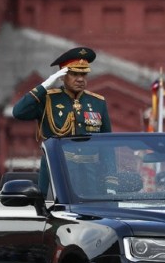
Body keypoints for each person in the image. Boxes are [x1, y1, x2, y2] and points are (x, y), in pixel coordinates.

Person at [12, 47, 113, 195]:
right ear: (61, 76)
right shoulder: (47, 99)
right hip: (57, 172)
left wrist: (110, 181)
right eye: (73, 74)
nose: (80, 79)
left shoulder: (97, 102)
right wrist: (44, 86)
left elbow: (107, 145)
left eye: (84, 74)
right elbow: (18, 112)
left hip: (91, 176)